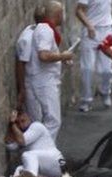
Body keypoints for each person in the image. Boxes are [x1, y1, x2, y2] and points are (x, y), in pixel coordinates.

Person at [26, 1, 72, 140]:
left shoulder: (44, 29)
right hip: (44, 81)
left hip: (44, 80)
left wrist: (61, 58)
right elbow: (44, 55)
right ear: (58, 14)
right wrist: (63, 56)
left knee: (49, 120)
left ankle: (45, 150)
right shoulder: (45, 29)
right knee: (53, 121)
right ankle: (44, 150)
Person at [5, 109, 65, 177]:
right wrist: (10, 125)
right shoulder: (20, 134)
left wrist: (13, 124)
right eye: (17, 123)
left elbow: (22, 141)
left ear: (29, 118)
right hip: (47, 171)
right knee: (19, 170)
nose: (21, 125)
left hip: (57, 162)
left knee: (27, 155)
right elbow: (10, 146)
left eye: (23, 121)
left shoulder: (37, 126)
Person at [76, 0, 112, 112]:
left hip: (106, 30)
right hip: (90, 31)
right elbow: (78, 10)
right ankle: (85, 100)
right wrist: (89, 26)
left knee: (106, 70)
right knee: (87, 69)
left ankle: (105, 92)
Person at [16, 7, 47, 110]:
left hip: (42, 81)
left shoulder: (41, 32)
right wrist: (22, 89)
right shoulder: (28, 39)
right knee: (37, 116)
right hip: (33, 84)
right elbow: (21, 63)